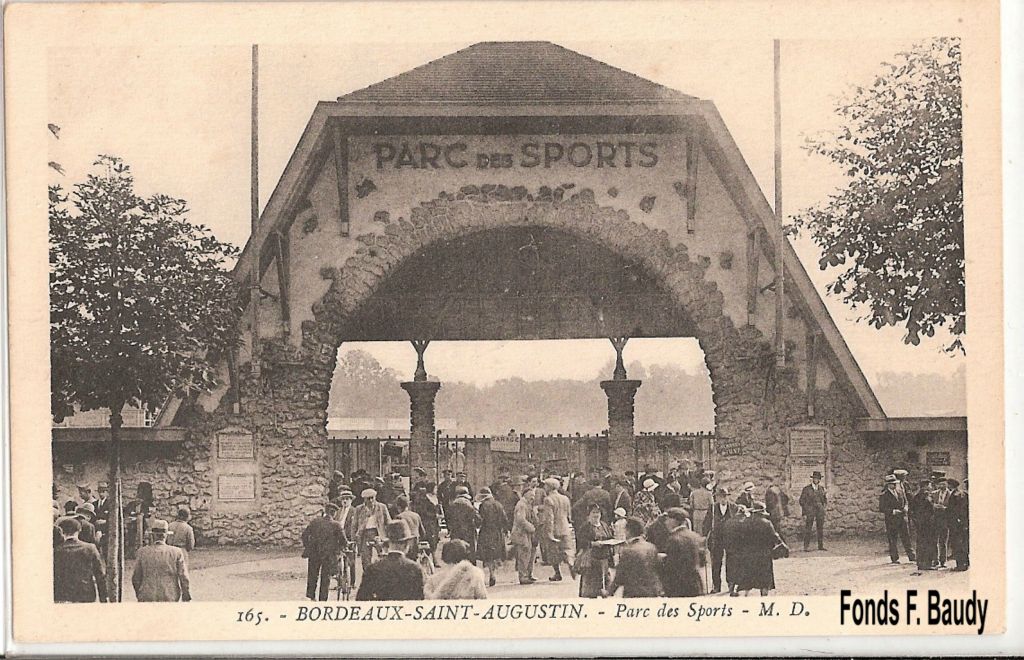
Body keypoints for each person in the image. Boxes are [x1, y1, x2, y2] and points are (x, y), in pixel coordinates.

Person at [355, 520, 425, 601]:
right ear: (407, 544)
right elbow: (419, 600)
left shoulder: (372, 568)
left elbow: (361, 599)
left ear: (388, 543)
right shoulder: (415, 569)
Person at [734, 502, 786, 596]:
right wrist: (782, 544)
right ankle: (763, 598)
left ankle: (745, 597)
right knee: (764, 581)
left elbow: (740, 539)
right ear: (762, 513)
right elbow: (774, 537)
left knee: (747, 580)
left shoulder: (745, 522)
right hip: (764, 555)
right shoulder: (767, 523)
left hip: (748, 555)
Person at [132, 519, 191, 602]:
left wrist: (139, 593)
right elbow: (183, 576)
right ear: (166, 536)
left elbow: (136, 577)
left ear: (153, 535)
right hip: (170, 595)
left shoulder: (142, 552)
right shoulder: (176, 552)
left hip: (147, 596)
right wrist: (186, 594)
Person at [603, 518, 663, 598]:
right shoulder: (651, 547)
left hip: (635, 593)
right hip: (652, 592)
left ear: (628, 531)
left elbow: (620, 576)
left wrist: (608, 592)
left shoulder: (628, 551)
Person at [53, 517, 107, 603]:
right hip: (85, 594)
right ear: (79, 531)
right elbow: (99, 574)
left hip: (62, 595)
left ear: (62, 531)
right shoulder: (90, 548)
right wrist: (103, 598)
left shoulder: (56, 550)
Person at [301, 503, 348, 601]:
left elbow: (304, 535)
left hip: (314, 553)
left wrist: (308, 546)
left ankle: (311, 596)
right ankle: (323, 599)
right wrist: (339, 548)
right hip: (328, 556)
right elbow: (344, 541)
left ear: (325, 511)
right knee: (325, 578)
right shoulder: (336, 525)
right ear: (333, 513)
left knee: (312, 574)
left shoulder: (315, 522)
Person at [660, 508, 704, 597]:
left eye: (667, 519)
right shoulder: (695, 536)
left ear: (674, 520)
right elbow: (702, 560)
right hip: (695, 585)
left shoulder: (674, 539)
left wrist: (663, 559)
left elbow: (671, 567)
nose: (665, 523)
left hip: (678, 587)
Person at [573, 503, 614, 598]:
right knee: (591, 588)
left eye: (598, 513)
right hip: (591, 559)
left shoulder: (604, 525)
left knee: (605, 584)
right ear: (589, 514)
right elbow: (580, 542)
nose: (596, 515)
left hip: (604, 558)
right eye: (594, 512)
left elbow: (609, 536)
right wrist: (592, 544)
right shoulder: (585, 527)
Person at [702, 486, 737, 594]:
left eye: (725, 497)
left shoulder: (733, 507)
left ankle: (731, 584)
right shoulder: (712, 508)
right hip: (716, 539)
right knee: (716, 563)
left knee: (731, 562)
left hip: (730, 538)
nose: (723, 499)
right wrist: (705, 536)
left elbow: (737, 522)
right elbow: (706, 523)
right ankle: (717, 586)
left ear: (727, 497)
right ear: (717, 498)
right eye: (720, 497)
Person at [476, 487, 508, 587]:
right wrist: (505, 530)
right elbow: (504, 518)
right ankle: (493, 572)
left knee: (488, 554)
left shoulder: (483, 505)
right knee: (495, 553)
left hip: (486, 531)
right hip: (497, 532)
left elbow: (480, 520)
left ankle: (491, 573)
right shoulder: (498, 504)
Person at [353, 488, 392, 571]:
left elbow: (389, 522)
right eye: (368, 498)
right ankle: (368, 576)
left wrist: (388, 537)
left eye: (372, 498)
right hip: (364, 534)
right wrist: (354, 539)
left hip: (378, 533)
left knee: (382, 556)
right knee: (366, 559)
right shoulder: (359, 509)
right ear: (364, 499)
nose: (370, 500)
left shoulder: (382, 507)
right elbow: (354, 525)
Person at [879, 474, 915, 564]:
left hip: (902, 518)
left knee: (906, 537)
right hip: (891, 520)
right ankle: (894, 558)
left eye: (895, 483)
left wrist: (906, 507)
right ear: (888, 485)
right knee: (893, 539)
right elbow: (882, 508)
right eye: (892, 484)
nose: (894, 485)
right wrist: (893, 511)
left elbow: (906, 501)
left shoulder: (900, 492)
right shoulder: (884, 495)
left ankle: (912, 556)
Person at [542, 477, 572, 582]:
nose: (544, 488)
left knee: (553, 552)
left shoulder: (548, 499)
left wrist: (549, 532)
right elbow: (569, 514)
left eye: (545, 485)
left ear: (549, 487)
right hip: (565, 527)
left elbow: (549, 518)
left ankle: (557, 573)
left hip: (554, 529)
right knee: (566, 550)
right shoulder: (565, 498)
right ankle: (572, 567)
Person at [445, 486, 482, 562]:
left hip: (456, 531)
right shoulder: (468, 504)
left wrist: (450, 528)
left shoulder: (452, 504)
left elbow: (448, 518)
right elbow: (477, 517)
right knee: (469, 551)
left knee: (457, 550)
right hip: (468, 531)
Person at [511, 487, 538, 584]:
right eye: (531, 495)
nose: (533, 497)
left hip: (527, 533)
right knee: (523, 554)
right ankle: (523, 576)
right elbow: (520, 520)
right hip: (521, 533)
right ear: (525, 494)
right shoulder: (521, 505)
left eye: (534, 496)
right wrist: (531, 527)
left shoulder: (528, 504)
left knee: (529, 554)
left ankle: (528, 574)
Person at [411, 482, 442, 566]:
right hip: (427, 522)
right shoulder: (424, 498)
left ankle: (431, 559)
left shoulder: (435, 498)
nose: (436, 490)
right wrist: (434, 515)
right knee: (430, 540)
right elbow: (423, 511)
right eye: (435, 488)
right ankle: (432, 560)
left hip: (434, 522)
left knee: (435, 540)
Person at [721, 505, 750, 596]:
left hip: (730, 549)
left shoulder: (728, 522)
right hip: (741, 549)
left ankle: (731, 587)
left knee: (730, 567)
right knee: (742, 568)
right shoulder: (744, 522)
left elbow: (724, 536)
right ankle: (741, 588)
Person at [909, 480, 937, 571]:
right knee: (927, 543)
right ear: (925, 486)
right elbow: (928, 510)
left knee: (921, 543)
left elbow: (912, 511)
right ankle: (926, 564)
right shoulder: (924, 496)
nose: (931, 487)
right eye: (929, 485)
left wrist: (916, 522)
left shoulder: (917, 496)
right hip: (926, 524)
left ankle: (921, 563)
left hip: (922, 524)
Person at [332, 488, 359, 584]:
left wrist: (354, 538)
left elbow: (356, 525)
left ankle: (352, 582)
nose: (345, 501)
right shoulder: (338, 511)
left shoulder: (354, 511)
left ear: (351, 500)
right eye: (343, 499)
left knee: (351, 560)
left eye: (347, 499)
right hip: (339, 538)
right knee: (338, 559)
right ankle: (340, 581)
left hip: (349, 537)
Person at [799, 471, 827, 551]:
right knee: (808, 528)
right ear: (812, 479)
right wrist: (806, 510)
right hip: (810, 511)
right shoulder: (806, 489)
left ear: (819, 480)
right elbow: (801, 501)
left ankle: (820, 546)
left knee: (820, 528)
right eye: (815, 478)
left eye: (818, 479)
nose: (816, 480)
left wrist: (823, 507)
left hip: (820, 511)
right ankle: (806, 546)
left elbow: (824, 500)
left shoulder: (822, 489)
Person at [947, 478, 969, 571]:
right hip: (962, 522)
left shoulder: (955, 495)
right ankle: (965, 562)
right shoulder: (963, 493)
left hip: (956, 523)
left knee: (957, 543)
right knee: (963, 543)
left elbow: (955, 510)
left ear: (951, 485)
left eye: (948, 484)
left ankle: (960, 565)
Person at [393, 495, 423, 561]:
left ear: (398, 506)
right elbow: (422, 532)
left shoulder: (399, 517)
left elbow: (397, 535)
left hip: (405, 545)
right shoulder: (416, 515)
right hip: (415, 543)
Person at [932, 477, 952, 567]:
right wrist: (934, 506)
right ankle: (935, 560)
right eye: (940, 484)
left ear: (947, 484)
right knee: (934, 540)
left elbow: (953, 508)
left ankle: (943, 561)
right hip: (935, 520)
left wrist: (945, 509)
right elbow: (929, 505)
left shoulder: (951, 494)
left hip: (945, 520)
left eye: (943, 484)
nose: (941, 486)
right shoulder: (934, 494)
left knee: (943, 541)